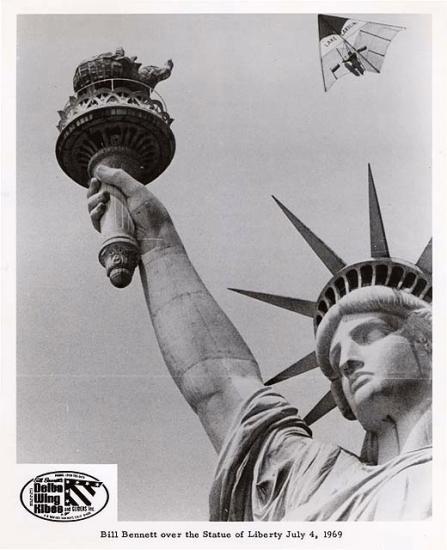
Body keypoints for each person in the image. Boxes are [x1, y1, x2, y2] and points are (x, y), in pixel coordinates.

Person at [87, 165, 432, 521]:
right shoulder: (316, 482)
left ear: (427, 340)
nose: (347, 362)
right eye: (336, 355)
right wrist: (158, 240)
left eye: (369, 335)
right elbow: (221, 388)